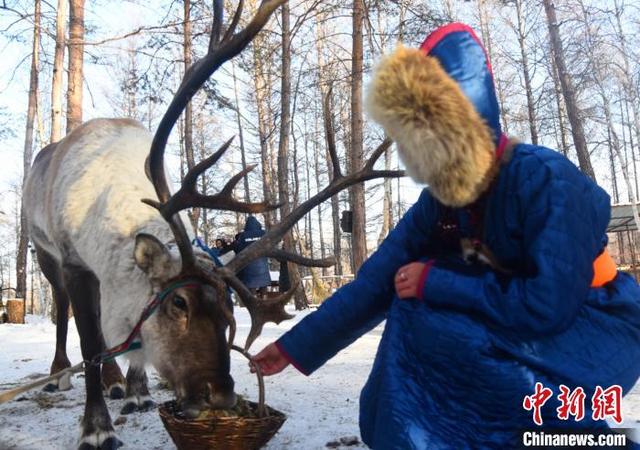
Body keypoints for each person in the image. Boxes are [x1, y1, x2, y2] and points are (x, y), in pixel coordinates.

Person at [251, 23, 640, 449]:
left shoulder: (545, 180)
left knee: (460, 340)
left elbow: (547, 307)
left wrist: (438, 281)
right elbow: (376, 282)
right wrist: (293, 346)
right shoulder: (441, 205)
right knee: (412, 311)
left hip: (599, 322)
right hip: (522, 323)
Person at [234, 216, 271, 295]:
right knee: (263, 284)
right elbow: (269, 246)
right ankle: (264, 300)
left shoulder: (243, 235)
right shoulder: (263, 233)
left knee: (251, 286)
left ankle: (253, 301)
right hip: (262, 264)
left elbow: (239, 250)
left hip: (249, 265)